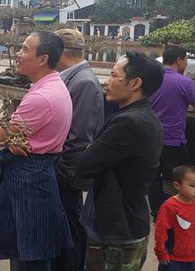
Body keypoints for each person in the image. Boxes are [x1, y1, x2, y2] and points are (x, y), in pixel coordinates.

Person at [0, 31, 73, 271]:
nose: (18, 54)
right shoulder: (52, 86)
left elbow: (1, 135)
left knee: (30, 247)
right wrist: (9, 138)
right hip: (36, 172)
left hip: (29, 177)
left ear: (43, 59)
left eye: (25, 49)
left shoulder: (41, 97)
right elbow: (13, 133)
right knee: (27, 242)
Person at [77, 52, 164, 271]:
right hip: (122, 222)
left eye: (114, 75)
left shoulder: (129, 123)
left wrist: (91, 150)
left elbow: (84, 165)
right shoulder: (141, 115)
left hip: (118, 231)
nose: (106, 81)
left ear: (135, 83)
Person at [52, 29, 104, 271]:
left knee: (71, 226)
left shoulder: (83, 82)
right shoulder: (72, 76)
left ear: (59, 52)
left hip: (69, 173)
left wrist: (62, 174)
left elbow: (78, 138)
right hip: (67, 170)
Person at [148, 45, 195, 219]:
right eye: (186, 60)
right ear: (179, 60)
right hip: (173, 139)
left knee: (154, 176)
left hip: (152, 138)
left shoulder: (152, 79)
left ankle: (156, 213)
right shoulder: (185, 82)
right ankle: (179, 213)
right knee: (181, 176)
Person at [154, 165, 195, 269]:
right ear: (177, 185)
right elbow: (160, 231)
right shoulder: (169, 206)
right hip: (173, 260)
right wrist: (161, 252)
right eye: (192, 186)